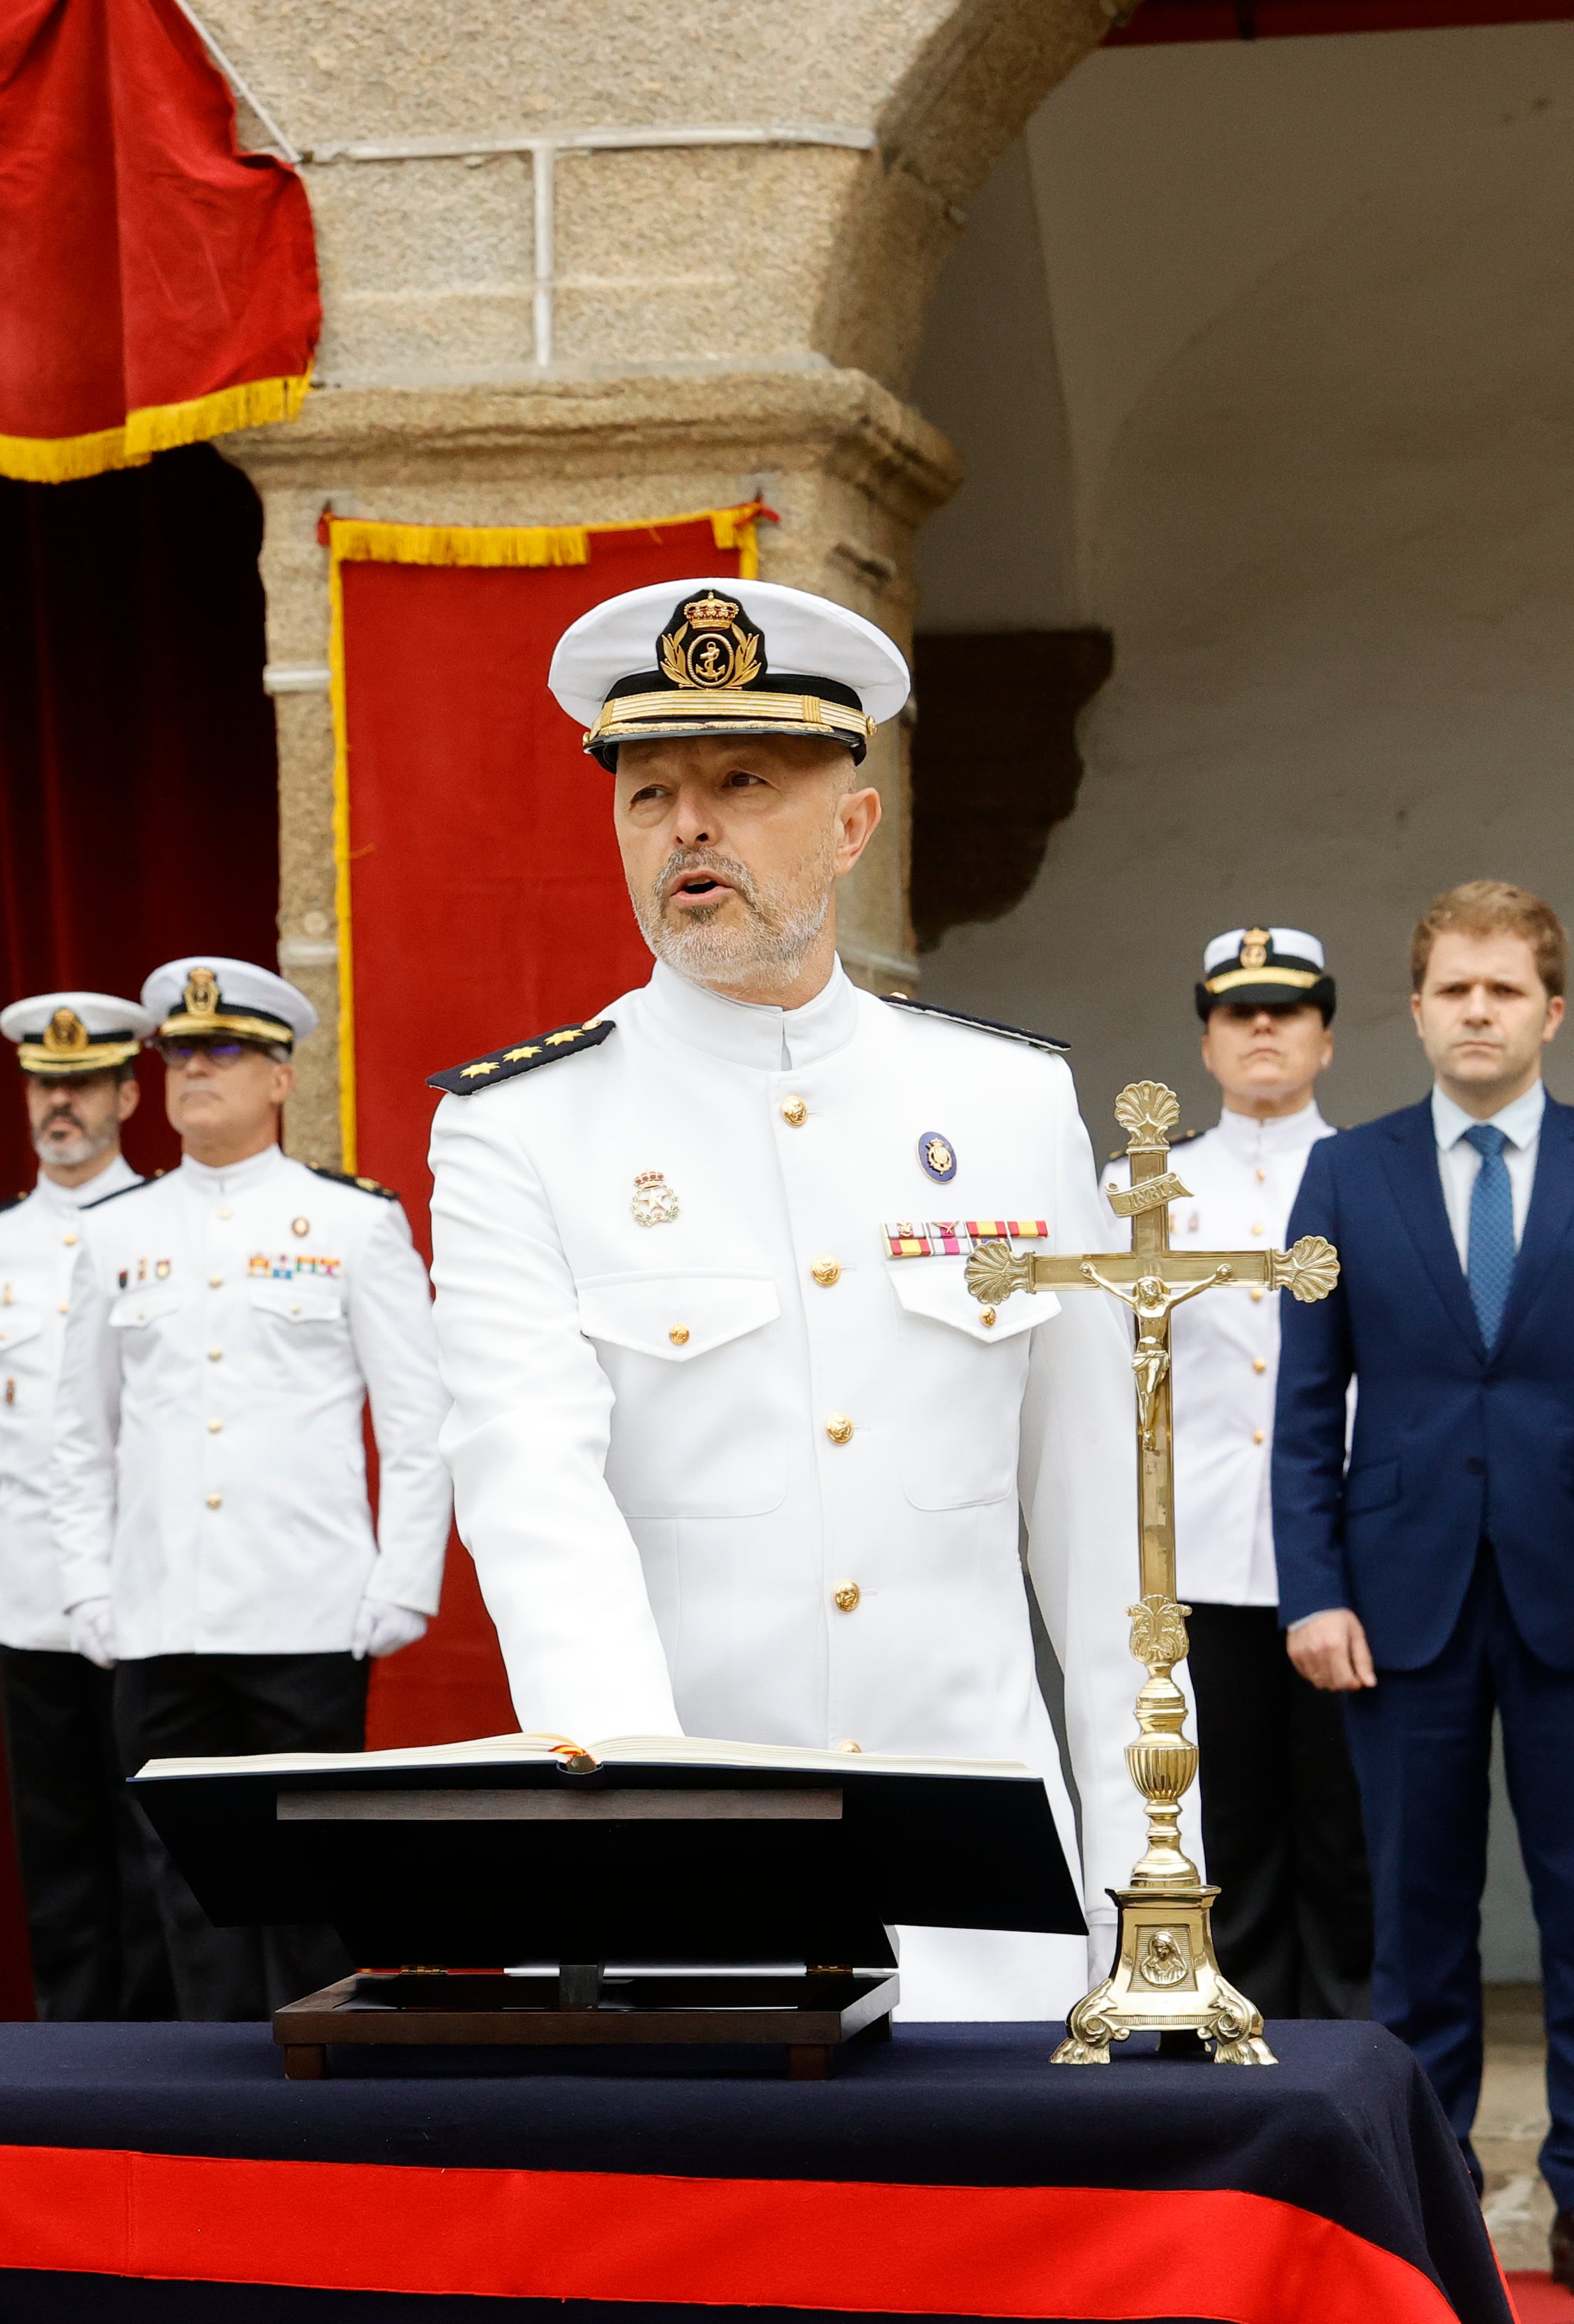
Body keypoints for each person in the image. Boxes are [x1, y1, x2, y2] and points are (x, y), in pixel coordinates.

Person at [424, 576, 1143, 2023]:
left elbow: (1098, 1526)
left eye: (742, 781)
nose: (687, 823)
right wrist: (651, 1847)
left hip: (987, 1894)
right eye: (648, 792)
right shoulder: (520, 1129)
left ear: (852, 825)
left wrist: (1146, 1885)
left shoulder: (1005, 1104)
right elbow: (534, 1504)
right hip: (697, 1904)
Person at [51, 957, 451, 2020]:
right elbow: (78, 1433)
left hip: (305, 1604)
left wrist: (402, 1579)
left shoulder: (350, 1224)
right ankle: (212, 2086)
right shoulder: (115, 1232)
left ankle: (316, 2088)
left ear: (280, 1077)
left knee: (312, 1865)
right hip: (160, 1610)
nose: (194, 1073)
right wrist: (88, 1587)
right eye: (178, 1053)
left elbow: (416, 1420)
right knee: (182, 1875)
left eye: (222, 1051)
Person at [1277, 880, 1574, 2268]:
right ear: (1412, 1010)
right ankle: (1421, 2200)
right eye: (1453, 987)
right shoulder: (1346, 1174)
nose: (1475, 1009)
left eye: (1502, 988)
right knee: (1415, 1928)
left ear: (1550, 1011)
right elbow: (1301, 1402)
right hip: (1396, 1604)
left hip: (1571, 1591)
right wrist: (1310, 1588)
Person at [1103, 927, 1364, 2021]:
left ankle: (1359, 2052)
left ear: (1326, 1039)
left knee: (1350, 1829)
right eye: (1239, 1013)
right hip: (1195, 1548)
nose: (1264, 1029)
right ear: (1206, 1041)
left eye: (1288, 1010)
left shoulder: (1372, 1173)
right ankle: (1246, 2044)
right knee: (1228, 1827)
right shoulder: (1142, 1186)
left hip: (1348, 1554)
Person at [0, 992, 178, 2023]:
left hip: (152, 1584)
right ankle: (70, 2052)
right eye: (44, 1084)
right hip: (29, 1581)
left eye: (81, 1085)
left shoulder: (163, 1222)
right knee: (58, 1838)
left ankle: (161, 2054)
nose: (59, 1104)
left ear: (127, 1093)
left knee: (151, 1837)